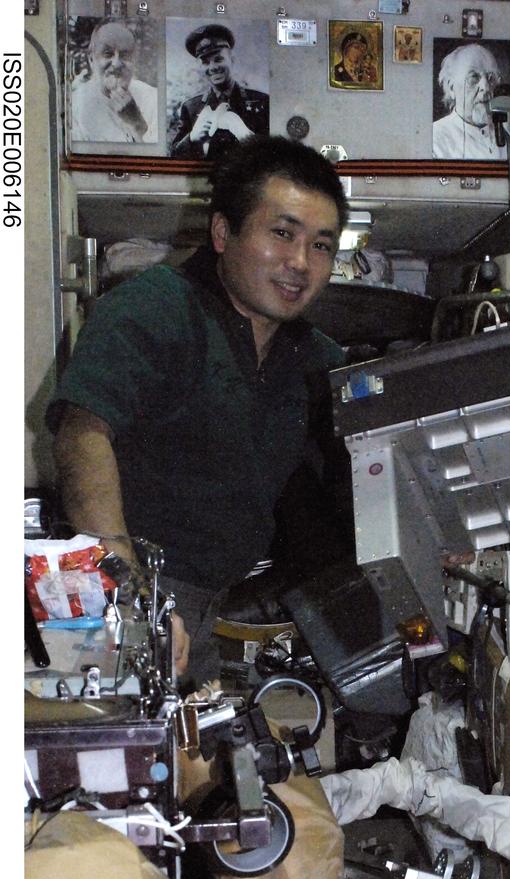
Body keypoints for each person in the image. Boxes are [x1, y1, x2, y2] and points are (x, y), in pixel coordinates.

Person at [49, 136, 350, 689]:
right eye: (282, 233)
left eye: (321, 246)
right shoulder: (154, 309)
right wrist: (128, 591)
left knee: (209, 764)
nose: (299, 263)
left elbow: (365, 464)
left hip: (217, 607)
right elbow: (82, 436)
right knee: (112, 760)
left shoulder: (314, 359)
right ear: (222, 233)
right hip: (111, 598)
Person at [170, 24, 269, 160]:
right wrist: (192, 138)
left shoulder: (262, 102)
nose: (213, 67)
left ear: (232, 60)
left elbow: (274, 159)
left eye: (218, 59)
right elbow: (173, 157)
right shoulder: (191, 107)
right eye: (205, 62)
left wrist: (246, 135)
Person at [70, 19, 158, 145]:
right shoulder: (75, 105)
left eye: (125, 55)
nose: (116, 64)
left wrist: (137, 123)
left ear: (134, 61)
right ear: (91, 60)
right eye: (107, 54)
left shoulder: (153, 98)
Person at [432, 43, 506, 160]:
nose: (486, 87)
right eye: (474, 77)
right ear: (452, 88)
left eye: (491, 78)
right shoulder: (435, 139)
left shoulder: (509, 132)